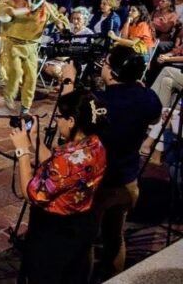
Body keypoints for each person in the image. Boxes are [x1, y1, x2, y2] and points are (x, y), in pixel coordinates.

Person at [60, 47, 161, 279]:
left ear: (113, 72)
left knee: (85, 240)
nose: (102, 67)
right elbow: (155, 117)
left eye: (105, 63)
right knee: (114, 236)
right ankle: (115, 277)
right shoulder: (147, 97)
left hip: (98, 184)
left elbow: (68, 125)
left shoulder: (98, 101)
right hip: (128, 182)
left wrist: (68, 80)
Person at [9, 89, 107, 284]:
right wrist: (35, 140)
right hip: (82, 224)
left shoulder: (66, 161)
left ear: (71, 121)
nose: (57, 122)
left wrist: (22, 151)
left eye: (60, 117)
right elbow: (58, 172)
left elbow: (32, 194)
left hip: (54, 233)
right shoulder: (95, 145)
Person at [0, 0, 68, 114]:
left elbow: (62, 21)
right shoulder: (18, 2)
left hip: (32, 47)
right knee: (16, 72)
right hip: (13, 44)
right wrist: (10, 11)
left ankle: (26, 107)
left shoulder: (48, 9)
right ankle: (9, 95)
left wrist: (61, 25)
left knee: (32, 77)